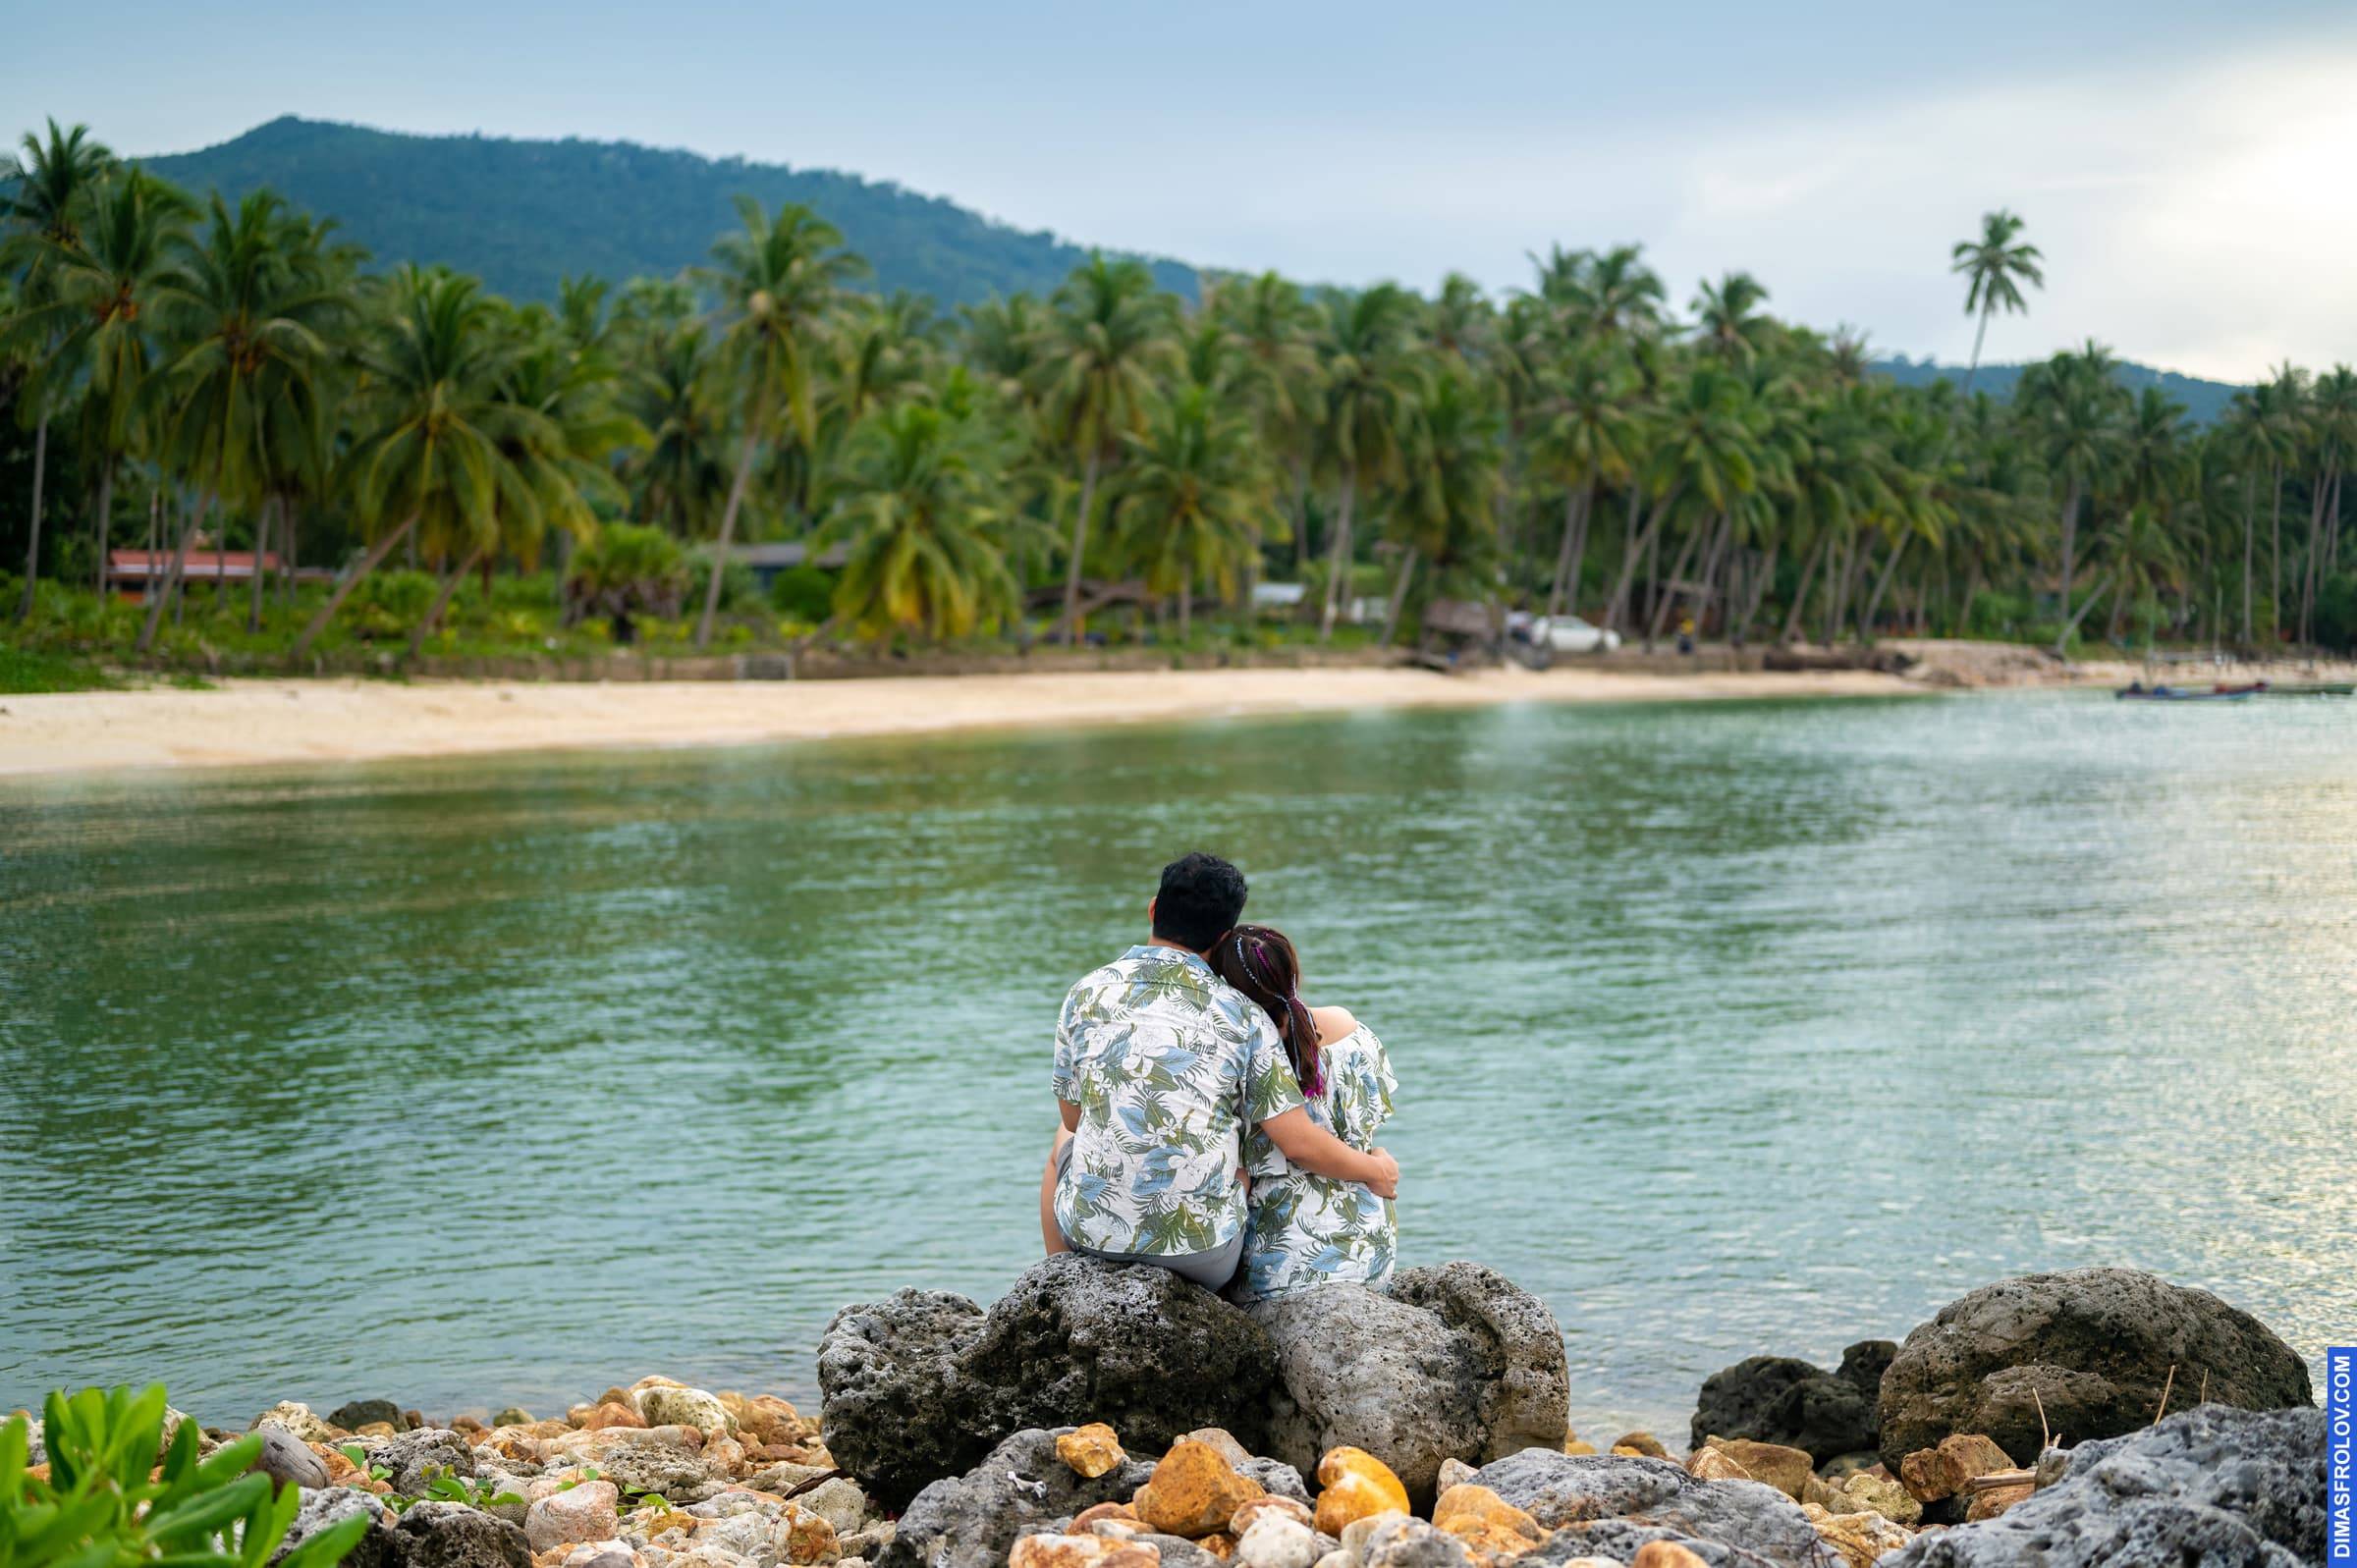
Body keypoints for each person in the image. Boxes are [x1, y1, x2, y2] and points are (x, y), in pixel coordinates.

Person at [1039, 852, 1399, 1288]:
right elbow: (1297, 1141)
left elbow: (1073, 1117)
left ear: (1153, 909)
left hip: (1093, 1237)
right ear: (1225, 936)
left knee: (1062, 1139)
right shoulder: (1244, 1016)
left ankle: (1061, 1281)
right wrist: (1376, 1171)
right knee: (1231, 1156)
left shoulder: (1085, 993)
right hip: (1204, 1256)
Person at [1210, 925, 1399, 1303]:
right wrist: (1376, 1165)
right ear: (1293, 972)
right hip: (1370, 1252)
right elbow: (1367, 1125)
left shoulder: (1237, 1055)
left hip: (1281, 1268)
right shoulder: (1349, 1029)